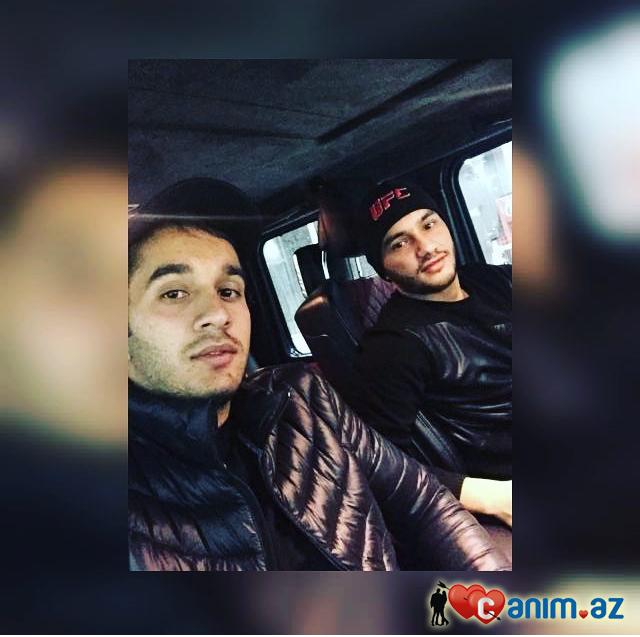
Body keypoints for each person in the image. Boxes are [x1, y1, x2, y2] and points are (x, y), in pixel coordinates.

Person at [127, 183, 510, 571]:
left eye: (228, 290)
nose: (218, 314)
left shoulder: (301, 398)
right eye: (174, 293)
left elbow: (421, 500)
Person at [352, 179, 512, 528]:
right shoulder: (394, 344)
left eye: (428, 224)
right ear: (384, 268)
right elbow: (380, 463)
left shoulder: (490, 280)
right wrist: (492, 497)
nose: (426, 247)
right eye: (400, 242)